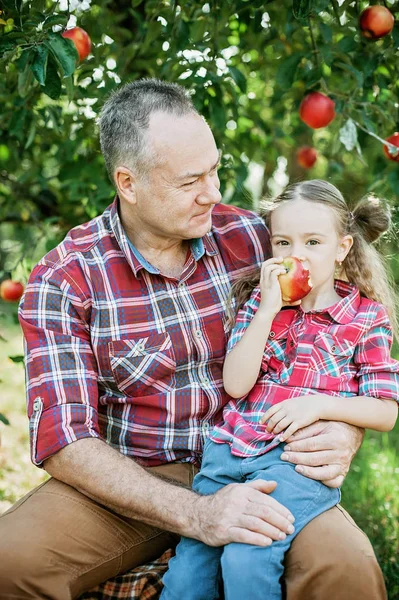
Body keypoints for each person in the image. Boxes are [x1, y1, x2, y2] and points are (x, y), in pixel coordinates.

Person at [0, 80, 387, 600]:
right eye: (190, 182)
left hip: (261, 457)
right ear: (128, 183)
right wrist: (200, 513)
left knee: (347, 569)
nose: (215, 192)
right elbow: (65, 442)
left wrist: (344, 428)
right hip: (134, 478)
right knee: (11, 564)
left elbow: (344, 332)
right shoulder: (65, 280)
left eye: (215, 169)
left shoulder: (253, 238)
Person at [160, 179, 399, 600]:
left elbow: (385, 411)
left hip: (292, 465)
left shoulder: (364, 317)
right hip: (228, 455)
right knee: (186, 578)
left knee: (246, 558)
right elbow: (236, 385)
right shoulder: (261, 303)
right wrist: (269, 308)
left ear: (342, 248)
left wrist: (321, 405)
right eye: (283, 242)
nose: (295, 255)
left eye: (313, 242)